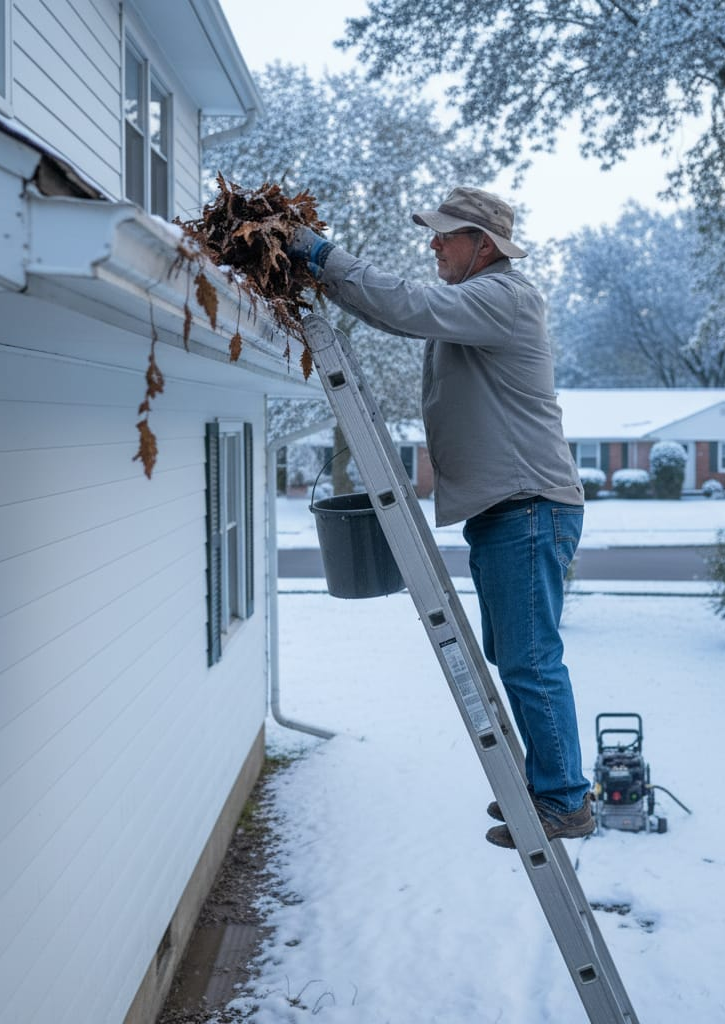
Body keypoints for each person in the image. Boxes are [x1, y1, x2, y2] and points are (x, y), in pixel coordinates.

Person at [288, 187, 593, 845]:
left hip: (529, 506)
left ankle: (565, 799)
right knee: (516, 654)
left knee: (531, 659)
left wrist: (324, 255)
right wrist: (321, 274)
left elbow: (411, 306)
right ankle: (550, 786)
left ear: (482, 244)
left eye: (445, 234)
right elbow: (401, 316)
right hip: (510, 509)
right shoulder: (476, 304)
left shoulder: (503, 297)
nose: (433, 243)